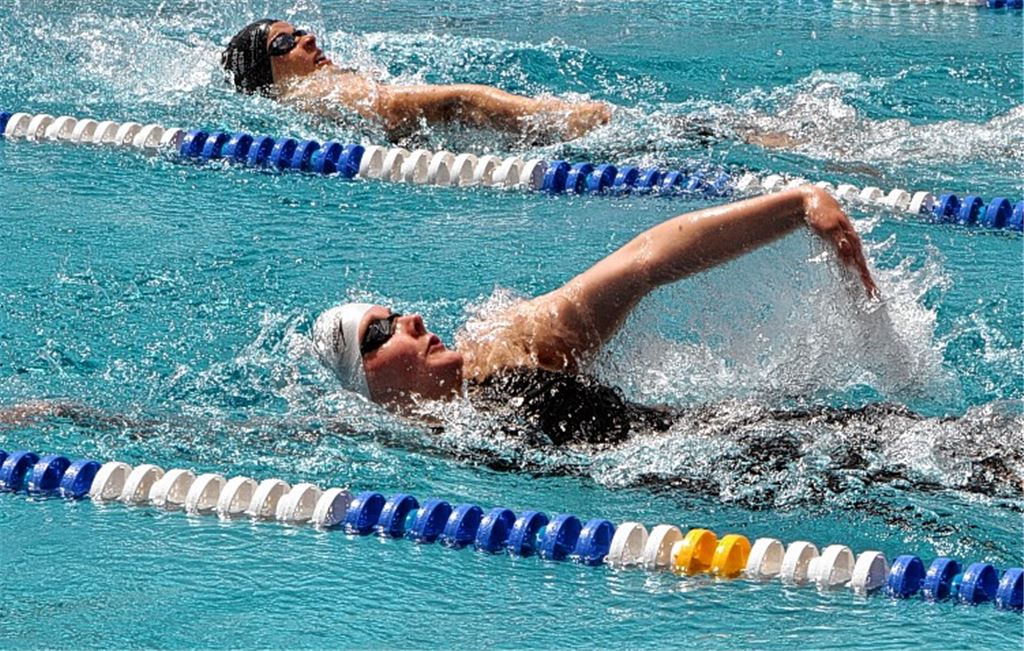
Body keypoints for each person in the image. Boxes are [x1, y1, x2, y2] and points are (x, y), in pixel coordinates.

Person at [312, 185, 877, 446]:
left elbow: (642, 263)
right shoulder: (409, 447)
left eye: (397, 313)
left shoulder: (508, 348)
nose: (410, 320)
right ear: (366, 384)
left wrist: (795, 206)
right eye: (380, 332)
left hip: (758, 442)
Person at [221, 19, 612, 144]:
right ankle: (574, 123)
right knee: (461, 98)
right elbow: (409, 108)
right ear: (264, 75)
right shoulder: (312, 91)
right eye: (285, 43)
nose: (308, 39)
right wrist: (567, 119)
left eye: (302, 30)